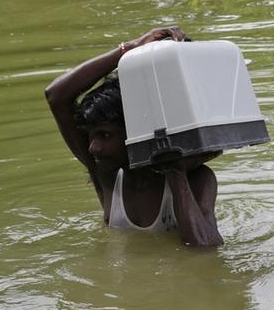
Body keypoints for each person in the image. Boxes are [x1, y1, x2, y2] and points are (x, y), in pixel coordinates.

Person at [45, 26, 223, 247]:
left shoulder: (198, 179)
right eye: (91, 136)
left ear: (135, 132)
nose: (93, 148)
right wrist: (128, 49)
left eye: (105, 135)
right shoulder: (108, 176)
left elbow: (206, 249)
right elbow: (56, 96)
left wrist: (176, 174)